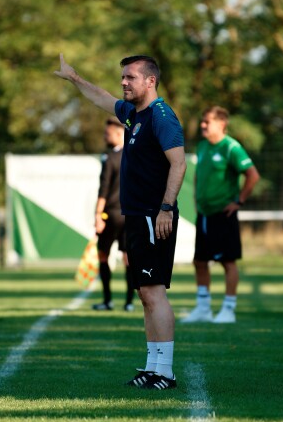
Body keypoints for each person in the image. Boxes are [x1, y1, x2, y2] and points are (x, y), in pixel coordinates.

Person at [54, 53, 186, 390]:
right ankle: (153, 367)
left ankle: (166, 373)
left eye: (131, 77)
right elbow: (102, 97)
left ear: (150, 81)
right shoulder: (133, 114)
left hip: (154, 215)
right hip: (136, 215)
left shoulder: (161, 116)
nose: (124, 82)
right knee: (145, 293)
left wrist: (166, 208)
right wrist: (74, 78)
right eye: (123, 77)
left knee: (154, 293)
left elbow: (179, 164)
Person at [181, 106, 260, 324]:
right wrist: (197, 200)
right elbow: (198, 175)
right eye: (202, 121)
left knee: (228, 262)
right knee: (199, 261)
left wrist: (239, 201)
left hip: (223, 214)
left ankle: (228, 309)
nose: (203, 126)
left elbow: (253, 175)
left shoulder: (232, 147)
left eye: (207, 122)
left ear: (221, 124)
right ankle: (203, 308)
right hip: (205, 215)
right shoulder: (203, 146)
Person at [92, 118, 136, 312]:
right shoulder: (135, 155)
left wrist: (97, 215)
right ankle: (129, 302)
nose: (104, 136)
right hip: (130, 215)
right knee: (129, 258)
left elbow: (103, 189)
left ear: (119, 134)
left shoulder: (109, 158)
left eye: (107, 133)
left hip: (110, 215)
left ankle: (108, 300)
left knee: (103, 255)